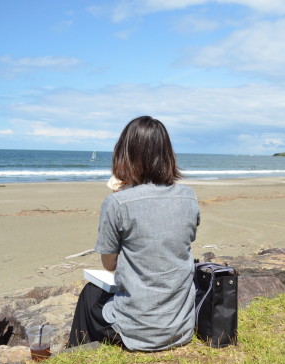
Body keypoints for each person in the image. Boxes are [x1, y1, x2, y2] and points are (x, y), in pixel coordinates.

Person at [67, 116, 200, 351]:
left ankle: (77, 351)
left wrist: (124, 192)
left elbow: (109, 264)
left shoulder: (117, 202)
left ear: (124, 153)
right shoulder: (188, 196)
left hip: (138, 330)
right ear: (167, 154)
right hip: (181, 326)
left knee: (90, 294)